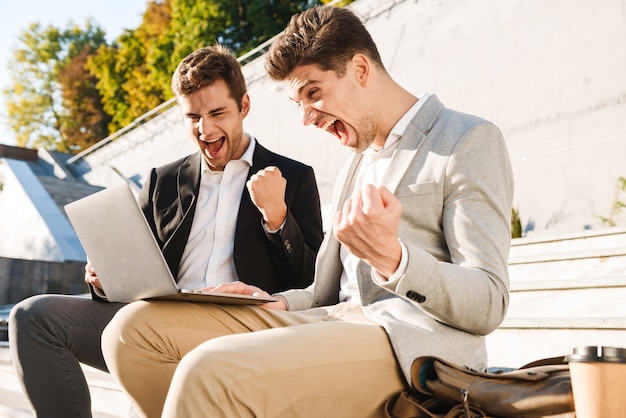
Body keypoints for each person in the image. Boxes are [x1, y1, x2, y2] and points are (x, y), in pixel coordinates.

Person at [101, 5, 515, 417]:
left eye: (313, 93)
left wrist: (395, 259)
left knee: (209, 369)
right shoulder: (358, 158)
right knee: (131, 332)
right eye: (298, 102)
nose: (306, 118)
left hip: (409, 343)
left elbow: (488, 301)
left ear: (359, 69)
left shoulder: (466, 139)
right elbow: (328, 293)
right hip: (334, 319)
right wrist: (273, 302)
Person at [8, 44, 324, 418]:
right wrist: (103, 277)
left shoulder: (294, 177)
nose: (205, 130)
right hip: (152, 323)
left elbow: (313, 284)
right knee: (32, 317)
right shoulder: (163, 179)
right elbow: (134, 272)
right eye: (192, 117)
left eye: (217, 113)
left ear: (245, 107)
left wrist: (278, 217)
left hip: (242, 329)